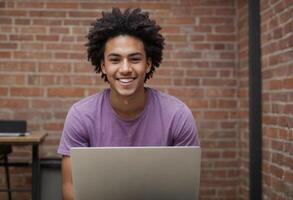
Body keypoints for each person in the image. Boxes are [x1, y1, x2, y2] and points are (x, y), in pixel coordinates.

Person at [58, 7, 200, 200]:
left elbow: (185, 190)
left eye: (134, 59)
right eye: (115, 59)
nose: (125, 69)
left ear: (148, 64)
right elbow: (70, 186)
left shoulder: (177, 115)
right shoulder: (81, 115)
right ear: (103, 65)